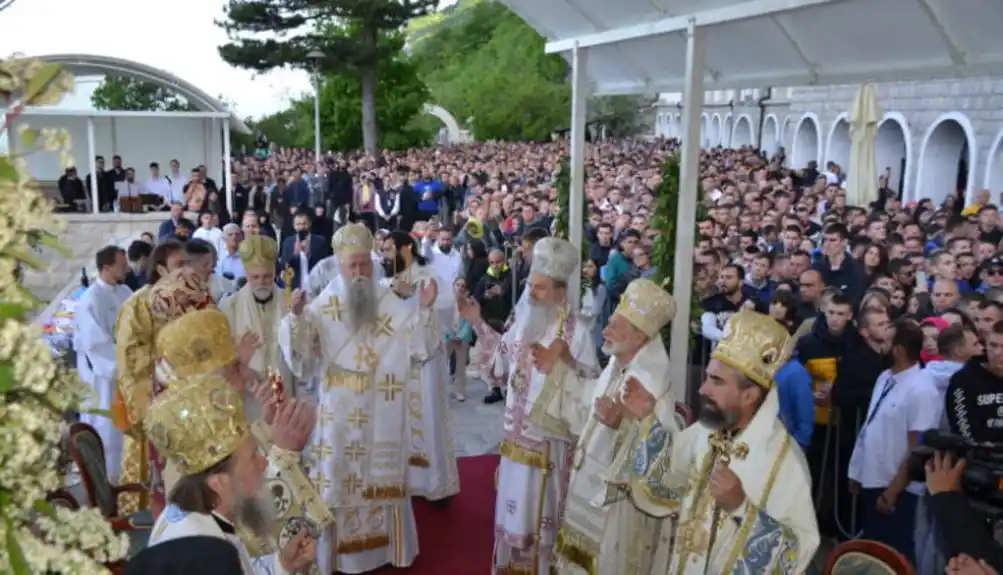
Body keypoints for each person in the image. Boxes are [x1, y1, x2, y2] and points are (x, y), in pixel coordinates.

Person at [278, 223, 437, 574]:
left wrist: (424, 309)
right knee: (339, 479)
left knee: (383, 479)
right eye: (353, 265)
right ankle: (338, 557)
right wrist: (296, 318)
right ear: (340, 264)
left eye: (365, 264)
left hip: (383, 405)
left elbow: (416, 343)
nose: (360, 272)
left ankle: (390, 550)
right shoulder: (324, 304)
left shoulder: (387, 298)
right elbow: (303, 359)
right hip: (340, 408)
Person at [633, 309, 820, 572]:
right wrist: (647, 421)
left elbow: (798, 553)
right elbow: (666, 478)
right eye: (707, 377)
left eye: (716, 381)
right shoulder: (706, 431)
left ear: (749, 395)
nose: (702, 389)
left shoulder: (785, 463)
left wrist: (741, 508)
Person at [458, 236, 601, 575]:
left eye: (540, 288)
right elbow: (499, 361)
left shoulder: (575, 334)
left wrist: (564, 365)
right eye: (531, 286)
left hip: (550, 448)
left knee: (541, 523)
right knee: (512, 515)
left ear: (560, 292)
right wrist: (477, 322)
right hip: (514, 442)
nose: (531, 294)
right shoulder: (524, 323)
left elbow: (590, 388)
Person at [555, 278, 679, 575]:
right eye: (609, 322)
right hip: (589, 483)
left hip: (618, 504)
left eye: (615, 326)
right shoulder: (617, 365)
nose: (606, 330)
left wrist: (620, 429)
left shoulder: (650, 382)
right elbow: (590, 402)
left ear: (639, 338)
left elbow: (663, 454)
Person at [144, 372, 319, 574]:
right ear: (219, 482)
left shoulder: (194, 517)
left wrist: (283, 565)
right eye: (253, 457)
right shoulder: (202, 555)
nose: (264, 463)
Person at [383, 230, 460, 504]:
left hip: (425, 362)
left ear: (407, 249)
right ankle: (408, 482)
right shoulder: (387, 282)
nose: (385, 254)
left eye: (390, 248)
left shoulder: (428, 276)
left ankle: (435, 485)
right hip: (398, 365)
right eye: (383, 249)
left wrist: (425, 309)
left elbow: (447, 313)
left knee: (429, 419)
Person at [113, 239, 186, 514]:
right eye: (179, 265)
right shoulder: (138, 305)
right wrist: (165, 366)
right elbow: (130, 357)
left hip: (185, 404)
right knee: (150, 481)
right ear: (161, 269)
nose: (185, 271)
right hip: (151, 401)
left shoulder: (186, 302)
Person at [74, 245, 133, 482]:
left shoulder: (126, 292)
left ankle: (126, 478)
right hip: (104, 377)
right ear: (106, 268)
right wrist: (122, 367)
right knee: (106, 427)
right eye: (122, 264)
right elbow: (95, 343)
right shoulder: (91, 299)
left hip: (126, 371)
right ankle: (105, 483)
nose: (127, 268)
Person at [220, 234, 296, 416]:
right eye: (256, 277)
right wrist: (238, 359)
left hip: (283, 390)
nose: (262, 282)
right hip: (249, 395)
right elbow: (221, 359)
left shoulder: (290, 303)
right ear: (246, 275)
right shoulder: (230, 307)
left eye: (266, 276)